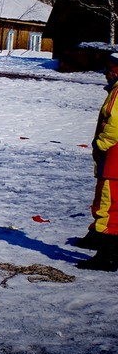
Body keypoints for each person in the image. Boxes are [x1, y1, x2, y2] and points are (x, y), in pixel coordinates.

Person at [76, 53, 118, 271]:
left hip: (114, 160)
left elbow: (113, 124)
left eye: (108, 70)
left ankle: (107, 255)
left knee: (108, 207)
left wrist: (100, 144)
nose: (105, 75)